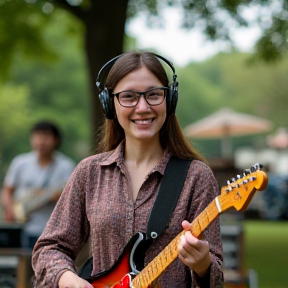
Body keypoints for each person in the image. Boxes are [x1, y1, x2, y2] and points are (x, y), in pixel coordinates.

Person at [32, 51, 224, 288]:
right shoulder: (90, 173)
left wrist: (203, 265)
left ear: (170, 99)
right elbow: (49, 248)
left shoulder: (197, 177)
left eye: (154, 95)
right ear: (110, 104)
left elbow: (216, 278)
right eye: (129, 97)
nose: (142, 107)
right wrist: (68, 279)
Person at [1, 120, 75, 249]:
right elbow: (7, 190)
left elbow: (72, 197)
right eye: (38, 136)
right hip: (24, 228)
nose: (41, 141)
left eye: (46, 137)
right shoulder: (20, 163)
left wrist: (55, 197)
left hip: (53, 230)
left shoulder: (66, 166)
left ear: (56, 140)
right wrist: (10, 211)